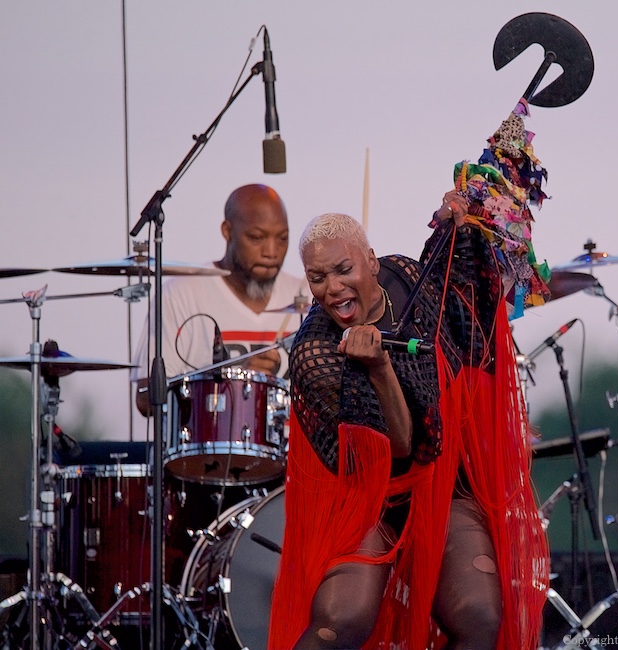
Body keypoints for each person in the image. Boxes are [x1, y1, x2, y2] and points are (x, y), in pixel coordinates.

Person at [269, 197, 549, 650]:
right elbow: (398, 450)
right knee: (339, 624)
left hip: (438, 482)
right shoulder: (314, 354)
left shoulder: (404, 273)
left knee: (479, 617)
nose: (333, 288)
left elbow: (450, 311)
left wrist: (451, 225)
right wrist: (378, 368)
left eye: (344, 270)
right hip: (368, 495)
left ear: (372, 262)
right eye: (317, 278)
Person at [132, 184, 310, 416]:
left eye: (283, 238)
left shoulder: (306, 296)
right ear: (227, 231)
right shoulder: (182, 295)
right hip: (213, 449)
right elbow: (147, 399)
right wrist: (234, 382)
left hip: (292, 449)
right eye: (256, 238)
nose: (271, 251)